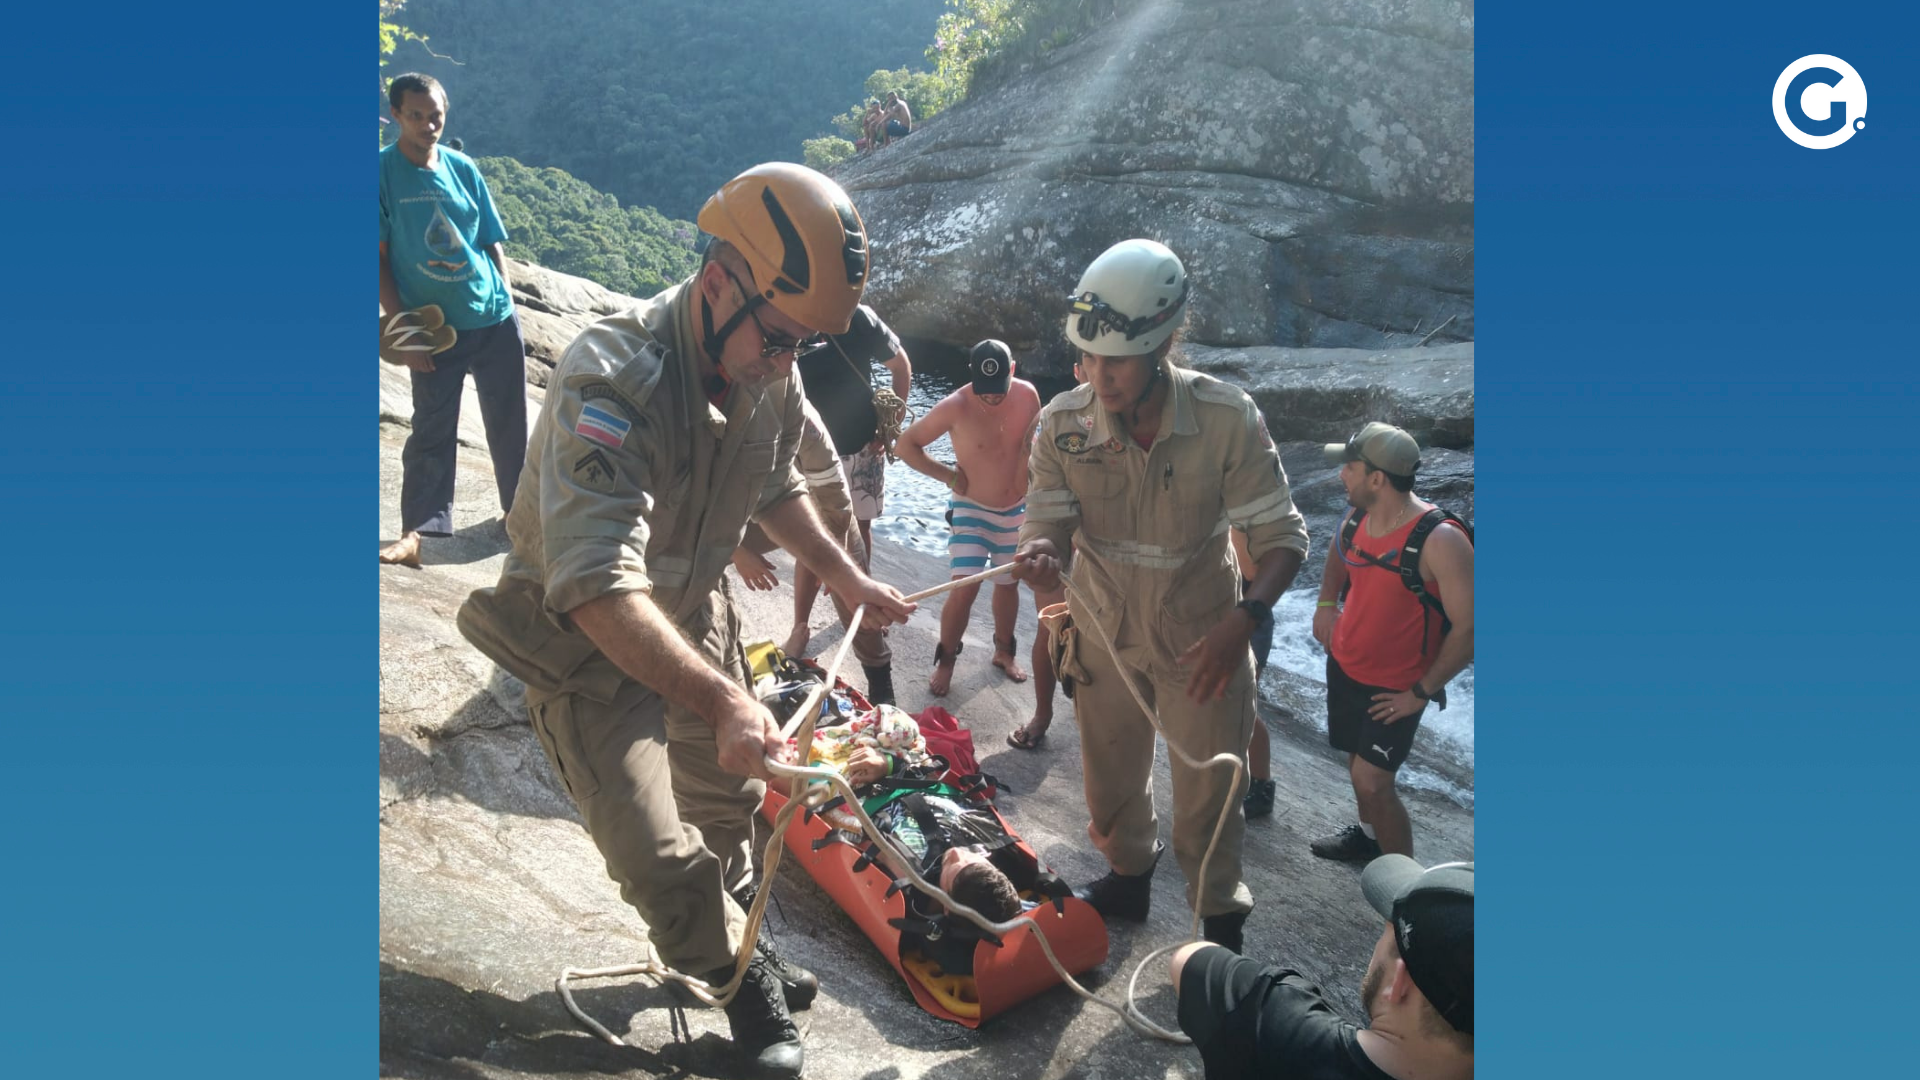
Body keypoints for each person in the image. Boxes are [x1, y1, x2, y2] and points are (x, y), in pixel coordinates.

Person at [455, 162, 915, 1080]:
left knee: (730, 804)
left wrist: (849, 579)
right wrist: (719, 697)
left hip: (690, 610)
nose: (788, 365)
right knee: (656, 847)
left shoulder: (766, 364)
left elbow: (777, 481)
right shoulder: (613, 379)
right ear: (718, 285)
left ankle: (738, 945)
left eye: (802, 349)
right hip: (585, 641)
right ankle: (733, 979)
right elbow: (592, 580)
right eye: (781, 341)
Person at [1012, 238, 1309, 954]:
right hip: (1104, 632)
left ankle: (1218, 934)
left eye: (1115, 359)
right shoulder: (1062, 424)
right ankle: (1128, 879)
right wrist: (1046, 551)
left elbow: (1284, 539)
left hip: (1204, 638)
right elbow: (1047, 516)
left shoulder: (1225, 419)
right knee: (1109, 781)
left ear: (1164, 344)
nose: (1097, 375)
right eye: (1085, 356)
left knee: (1210, 803)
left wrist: (1244, 622)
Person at [379, 73, 528, 568]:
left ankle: (520, 517)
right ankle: (415, 534)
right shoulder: (382, 173)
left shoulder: (463, 168)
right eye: (416, 115)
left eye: (435, 114)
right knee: (431, 430)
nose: (428, 124)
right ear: (397, 115)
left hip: (492, 318)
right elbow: (377, 258)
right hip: (435, 326)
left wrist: (505, 294)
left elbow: (489, 239)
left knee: (509, 424)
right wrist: (404, 331)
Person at [1309, 423, 1474, 862]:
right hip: (1345, 665)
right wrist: (1326, 603)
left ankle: (1404, 895)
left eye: (1350, 466)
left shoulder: (1441, 540)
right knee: (1354, 759)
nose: (1342, 473)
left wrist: (1418, 694)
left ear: (1377, 478)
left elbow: (1471, 629)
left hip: (1397, 688)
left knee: (1373, 781)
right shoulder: (1357, 514)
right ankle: (1367, 838)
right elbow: (1337, 555)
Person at [1168, 855, 1473, 1080]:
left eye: (1385, 931)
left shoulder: (1276, 1022)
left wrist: (1286, 997)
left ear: (1399, 982)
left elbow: (1188, 960)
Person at [896, 340, 1044, 697]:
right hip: (971, 509)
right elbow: (905, 446)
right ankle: (946, 660)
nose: (991, 398)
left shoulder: (1029, 396)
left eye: (997, 391)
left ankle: (1003, 653)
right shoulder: (955, 406)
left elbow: (1033, 448)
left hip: (1017, 509)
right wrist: (947, 475)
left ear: (1011, 371)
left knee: (1008, 585)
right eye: (984, 390)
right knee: (965, 587)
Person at [734, 392, 897, 704]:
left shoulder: (802, 418)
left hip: (800, 505)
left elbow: (835, 504)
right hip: (736, 515)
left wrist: (835, 569)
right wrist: (734, 549)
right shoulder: (705, 411)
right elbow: (683, 513)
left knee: (855, 584)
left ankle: (880, 677)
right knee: (692, 558)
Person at [781, 303, 912, 662]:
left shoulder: (858, 317)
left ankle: (865, 605)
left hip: (862, 447)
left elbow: (900, 366)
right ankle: (800, 627)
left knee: (860, 529)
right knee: (810, 540)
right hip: (807, 451)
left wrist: (890, 427)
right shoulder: (789, 316)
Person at [1234, 527, 1280, 817]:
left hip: (1249, 620)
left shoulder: (1243, 517)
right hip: (1217, 617)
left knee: (1242, 707)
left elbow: (1251, 570)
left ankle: (1262, 786)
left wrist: (1232, 529)